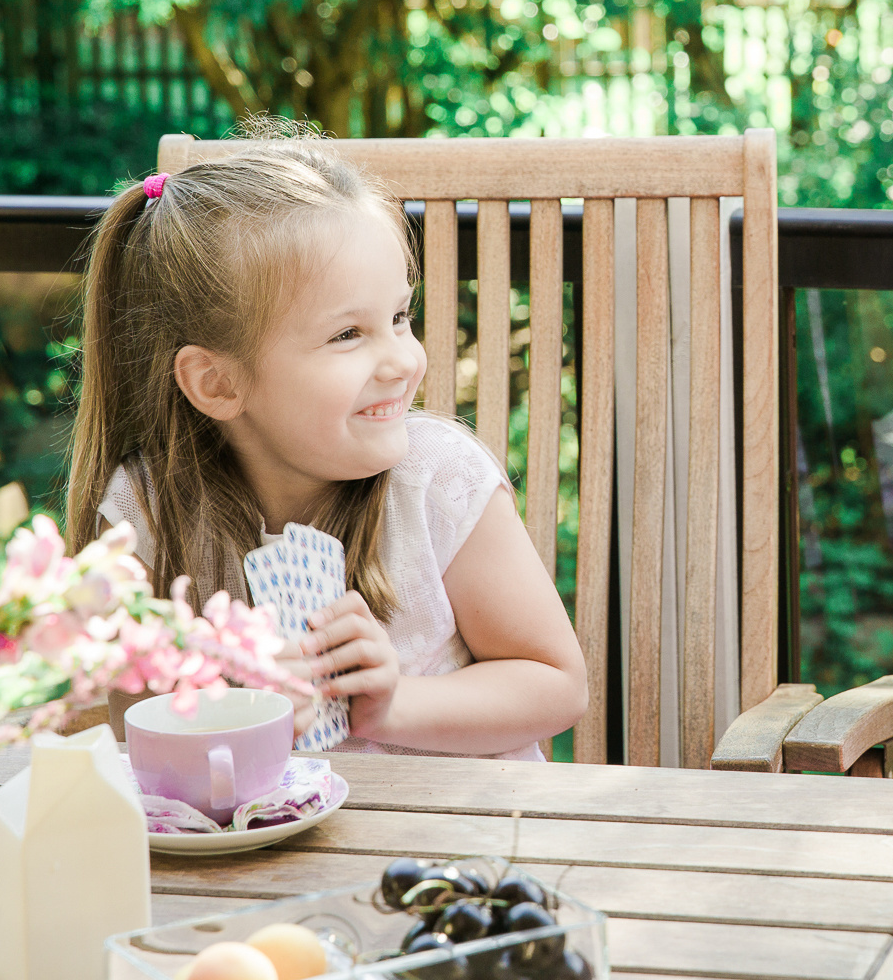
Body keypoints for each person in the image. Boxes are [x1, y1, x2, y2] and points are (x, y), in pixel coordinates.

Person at [65, 132, 587, 761]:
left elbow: (557, 685)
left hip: (455, 844)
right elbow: (131, 718)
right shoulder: (149, 511)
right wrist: (226, 705)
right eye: (348, 334)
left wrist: (392, 705)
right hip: (262, 852)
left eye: (399, 317)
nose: (403, 360)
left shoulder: (437, 485)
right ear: (218, 382)